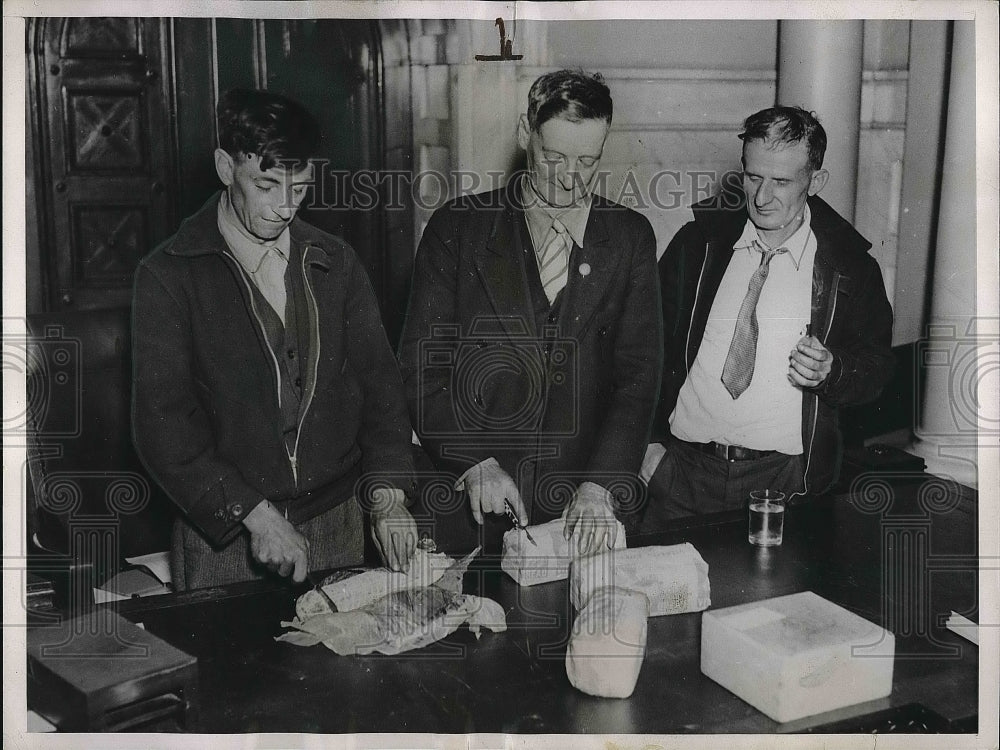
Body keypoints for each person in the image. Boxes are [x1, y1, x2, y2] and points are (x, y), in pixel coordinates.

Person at [132, 89, 418, 590]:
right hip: (225, 533)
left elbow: (382, 393)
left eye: (300, 189)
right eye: (266, 186)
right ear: (226, 167)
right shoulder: (168, 275)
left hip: (337, 519)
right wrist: (255, 514)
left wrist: (389, 494)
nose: (285, 208)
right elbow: (165, 424)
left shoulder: (336, 262)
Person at [398, 69, 662, 555]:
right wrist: (475, 463)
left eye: (587, 161)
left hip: (580, 511)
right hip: (468, 504)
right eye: (553, 156)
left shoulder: (629, 238)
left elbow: (638, 379)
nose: (568, 177)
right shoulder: (457, 228)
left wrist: (601, 485)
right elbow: (420, 370)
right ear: (526, 134)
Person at [640, 106, 894, 526]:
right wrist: (647, 449)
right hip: (680, 475)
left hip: (784, 484)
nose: (761, 197)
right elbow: (642, 347)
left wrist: (835, 370)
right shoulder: (697, 244)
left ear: (816, 181)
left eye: (780, 181)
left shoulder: (849, 267)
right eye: (753, 176)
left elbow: (879, 368)